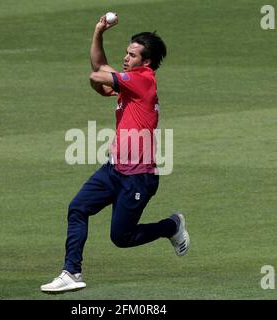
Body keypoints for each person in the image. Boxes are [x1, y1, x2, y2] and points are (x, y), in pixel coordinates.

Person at [40, 14, 190, 293]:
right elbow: (99, 69)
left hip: (139, 177)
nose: (126, 58)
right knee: (78, 208)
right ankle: (71, 272)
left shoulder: (143, 81)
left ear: (145, 62)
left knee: (122, 238)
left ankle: (171, 225)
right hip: (113, 169)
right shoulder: (130, 82)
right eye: (126, 53)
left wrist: (96, 81)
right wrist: (99, 31)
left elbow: (97, 74)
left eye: (132, 55)